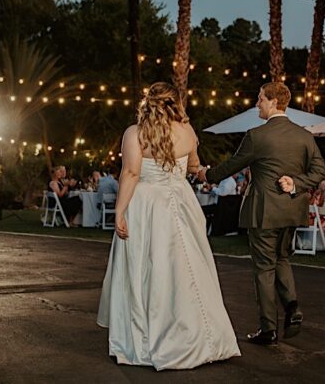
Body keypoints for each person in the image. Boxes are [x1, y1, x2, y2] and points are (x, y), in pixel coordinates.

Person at [97, 82, 239, 370]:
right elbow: (194, 167)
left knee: (146, 268)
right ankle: (199, 337)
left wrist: (119, 211)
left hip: (147, 204)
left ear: (147, 102)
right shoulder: (187, 131)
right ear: (176, 102)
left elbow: (132, 172)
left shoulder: (135, 133)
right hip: (181, 202)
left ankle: (149, 335)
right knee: (187, 269)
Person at [199, 82, 325, 346]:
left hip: (264, 212)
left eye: (259, 99)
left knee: (264, 269)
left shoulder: (256, 136)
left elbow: (233, 165)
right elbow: (319, 172)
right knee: (282, 259)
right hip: (292, 211)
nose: (256, 103)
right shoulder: (304, 136)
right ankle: (292, 307)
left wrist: (206, 175)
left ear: (272, 102)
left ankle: (268, 329)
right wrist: (295, 183)